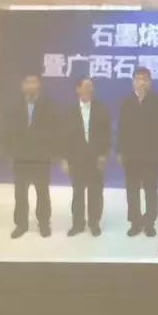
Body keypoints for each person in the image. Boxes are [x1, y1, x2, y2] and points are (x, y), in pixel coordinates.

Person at [4, 73, 59, 239]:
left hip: (41, 158)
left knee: (42, 193)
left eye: (34, 81)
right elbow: (9, 132)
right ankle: (21, 224)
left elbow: (54, 131)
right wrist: (10, 153)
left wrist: (51, 153)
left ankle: (44, 223)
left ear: (39, 84)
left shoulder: (49, 105)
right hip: (21, 158)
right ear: (22, 85)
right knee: (20, 194)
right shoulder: (15, 106)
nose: (30, 85)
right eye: (27, 82)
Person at [116, 67, 158, 237]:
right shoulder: (126, 102)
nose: (141, 82)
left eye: (145, 79)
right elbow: (121, 128)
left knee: (151, 190)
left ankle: (150, 222)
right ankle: (135, 223)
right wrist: (120, 151)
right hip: (131, 155)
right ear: (133, 81)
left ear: (150, 82)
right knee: (132, 190)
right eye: (138, 79)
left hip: (151, 155)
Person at [61, 78, 111, 237]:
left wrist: (103, 155)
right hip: (76, 158)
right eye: (86, 86)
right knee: (78, 192)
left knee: (95, 192)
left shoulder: (101, 109)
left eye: (91, 87)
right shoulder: (69, 111)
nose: (89, 89)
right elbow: (64, 137)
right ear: (78, 89)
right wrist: (65, 159)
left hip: (96, 158)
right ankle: (78, 224)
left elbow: (107, 134)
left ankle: (94, 223)